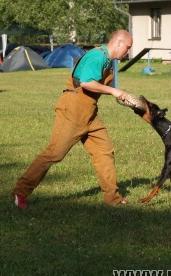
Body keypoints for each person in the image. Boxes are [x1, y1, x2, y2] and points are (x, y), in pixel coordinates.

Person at [12, 29, 134, 209]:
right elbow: (86, 82)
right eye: (128, 47)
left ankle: (112, 198)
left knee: (104, 151)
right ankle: (20, 192)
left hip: (89, 113)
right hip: (73, 110)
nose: (129, 52)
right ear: (118, 43)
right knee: (54, 153)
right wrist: (113, 90)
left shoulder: (108, 60)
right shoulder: (97, 56)